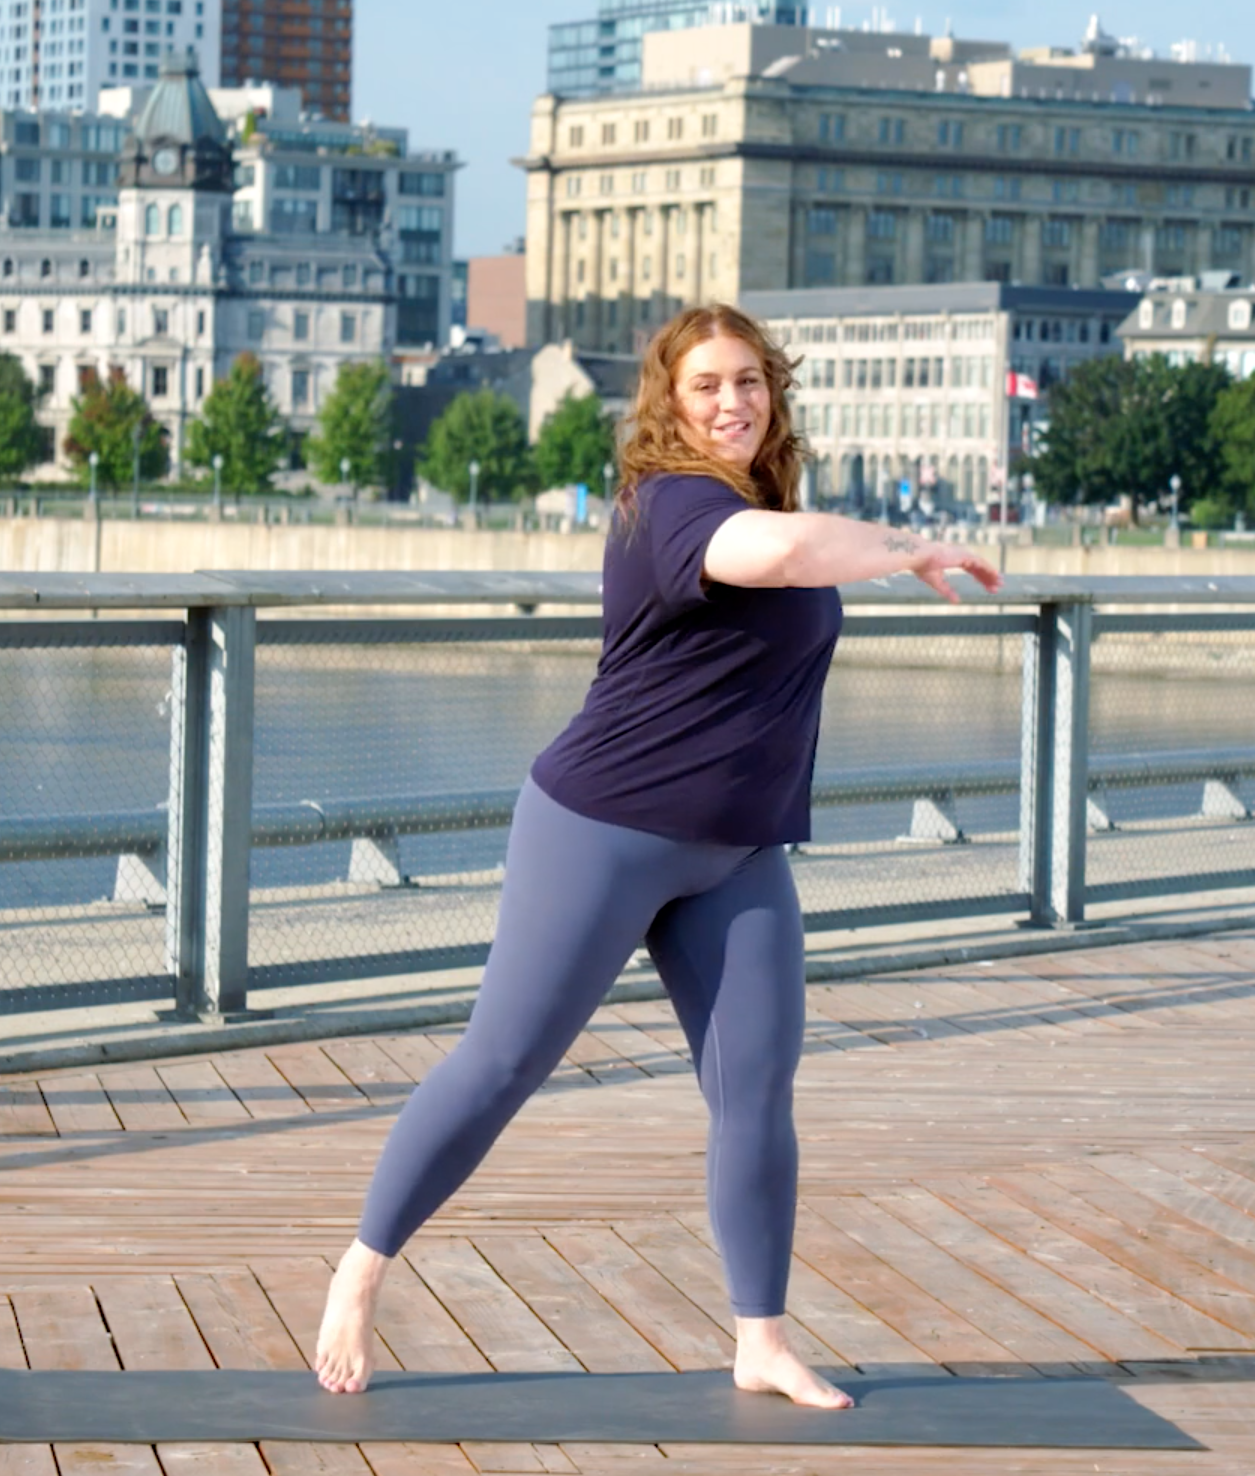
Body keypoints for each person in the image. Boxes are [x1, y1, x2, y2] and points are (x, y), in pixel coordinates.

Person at [314, 303, 1002, 1407]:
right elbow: (781, 556)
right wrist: (910, 545)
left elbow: (786, 547)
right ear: (668, 407)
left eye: (749, 380)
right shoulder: (672, 503)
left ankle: (761, 1339)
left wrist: (882, 547)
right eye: (706, 386)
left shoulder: (758, 502)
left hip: (737, 851)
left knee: (756, 1089)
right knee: (502, 1063)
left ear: (774, 390)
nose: (733, 402)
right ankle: (360, 1272)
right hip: (603, 831)